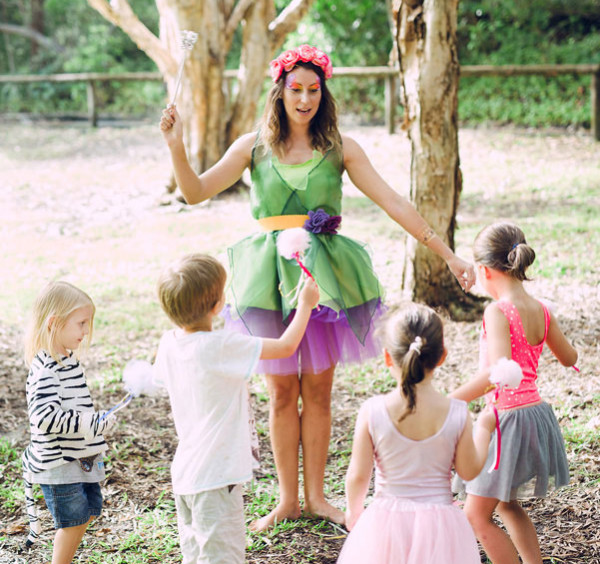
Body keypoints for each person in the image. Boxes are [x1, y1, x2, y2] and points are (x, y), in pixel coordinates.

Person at [159, 43, 476, 531]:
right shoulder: (252, 147)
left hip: (324, 279)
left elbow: (393, 201)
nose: (304, 99)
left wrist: (448, 254)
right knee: (283, 393)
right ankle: (288, 500)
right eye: (295, 90)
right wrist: (177, 147)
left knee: (320, 392)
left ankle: (318, 497)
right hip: (267, 278)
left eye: (313, 90)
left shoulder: (340, 148)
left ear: (322, 92)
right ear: (280, 92)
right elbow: (196, 192)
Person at [152, 253, 319, 564]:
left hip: (185, 474)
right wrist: (305, 304)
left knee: (194, 559)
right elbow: (287, 346)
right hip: (217, 477)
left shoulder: (169, 344)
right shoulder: (222, 346)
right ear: (217, 305)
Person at [328, 303, 494, 564]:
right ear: (442, 357)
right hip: (439, 523)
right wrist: (484, 428)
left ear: (386, 357)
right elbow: (469, 472)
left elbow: (357, 475)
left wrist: (354, 511)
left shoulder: (373, 411)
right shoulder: (457, 413)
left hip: (385, 519)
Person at [451, 222, 578, 564]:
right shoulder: (540, 308)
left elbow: (498, 375)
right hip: (535, 414)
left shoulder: (498, 311)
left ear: (486, 270)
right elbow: (569, 356)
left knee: (476, 515)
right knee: (506, 504)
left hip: (506, 419)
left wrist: (450, 400)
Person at [22, 281, 115, 564]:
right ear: (54, 323)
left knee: (85, 512)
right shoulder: (46, 369)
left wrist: (94, 424)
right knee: (73, 518)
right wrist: (91, 423)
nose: (86, 331)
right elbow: (45, 418)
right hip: (58, 463)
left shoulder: (67, 361)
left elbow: (72, 411)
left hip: (77, 459)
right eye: (81, 323)